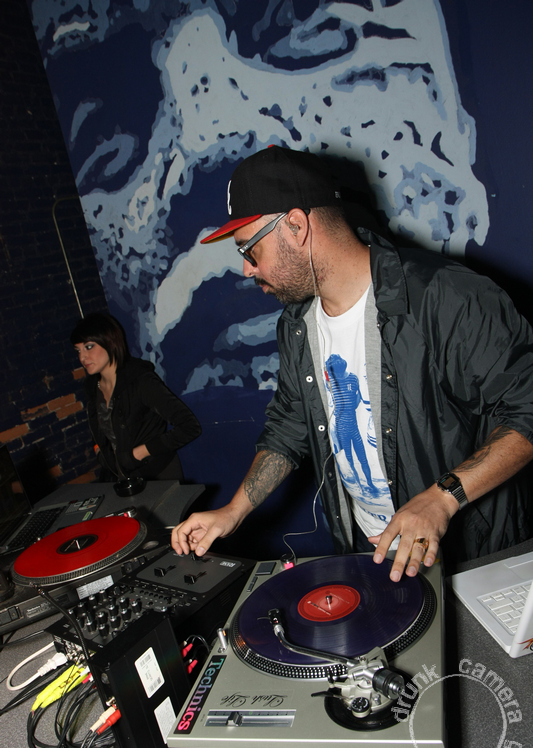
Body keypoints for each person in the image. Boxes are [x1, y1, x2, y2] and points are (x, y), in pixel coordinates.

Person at [171, 145, 533, 581]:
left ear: (296, 226)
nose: (247, 270)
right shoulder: (297, 324)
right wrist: (233, 511)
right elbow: (289, 428)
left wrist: (442, 497)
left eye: (250, 250)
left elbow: (527, 412)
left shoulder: (445, 297)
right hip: (368, 553)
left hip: (464, 556)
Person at [71, 313, 201, 482]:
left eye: (89, 347)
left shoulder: (140, 380)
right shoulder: (92, 388)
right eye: (78, 351)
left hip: (157, 476)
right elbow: (101, 429)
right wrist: (100, 452)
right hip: (120, 477)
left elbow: (190, 426)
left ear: (109, 342)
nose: (82, 357)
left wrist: (138, 454)